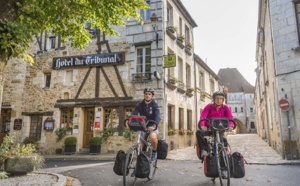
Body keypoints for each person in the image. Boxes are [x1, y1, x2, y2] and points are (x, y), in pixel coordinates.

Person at [196, 91, 234, 178]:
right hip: (209, 129)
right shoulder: (209, 107)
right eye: (217, 98)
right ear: (214, 99)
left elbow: (230, 118)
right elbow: (203, 116)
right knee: (199, 132)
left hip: (220, 130)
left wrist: (231, 126)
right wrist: (202, 126)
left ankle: (224, 170)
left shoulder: (225, 108)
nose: (219, 100)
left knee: (222, 147)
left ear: (223, 100)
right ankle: (204, 149)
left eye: (221, 98)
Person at [128, 87, 161, 162]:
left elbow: (157, 116)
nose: (147, 95)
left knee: (153, 137)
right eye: (146, 94)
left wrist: (154, 126)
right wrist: (128, 123)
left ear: (152, 96)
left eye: (149, 94)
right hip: (143, 125)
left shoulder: (155, 105)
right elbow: (133, 114)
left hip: (153, 125)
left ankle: (154, 152)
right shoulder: (140, 104)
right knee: (141, 144)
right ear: (144, 95)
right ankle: (140, 161)